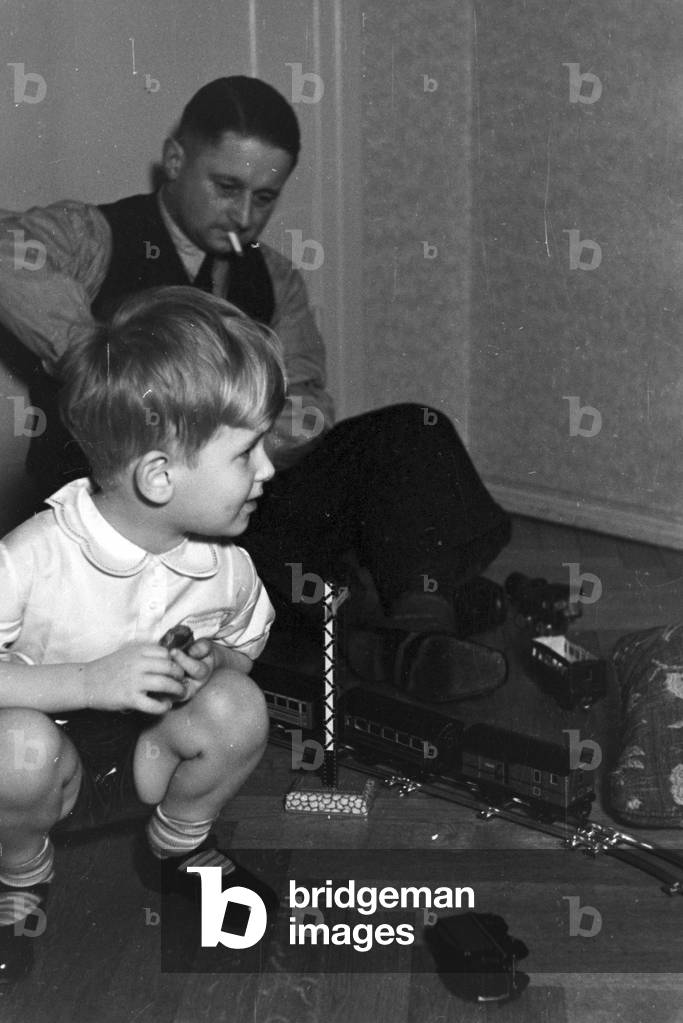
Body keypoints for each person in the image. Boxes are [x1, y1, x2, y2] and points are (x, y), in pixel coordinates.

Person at [0, 76, 511, 694]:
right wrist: (91, 352)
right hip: (123, 518)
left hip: (237, 507)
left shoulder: (274, 277)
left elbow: (308, 400)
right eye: (227, 188)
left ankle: (417, 632)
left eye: (265, 198)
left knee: (412, 429)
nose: (244, 216)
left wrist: (238, 464)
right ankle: (359, 614)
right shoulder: (95, 235)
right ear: (175, 160)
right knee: (273, 583)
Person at [0, 287, 284, 982]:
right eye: (247, 452)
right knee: (15, 746)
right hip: (42, 767)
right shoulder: (32, 557)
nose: (269, 469)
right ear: (159, 475)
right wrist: (88, 681)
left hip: (146, 756)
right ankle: (19, 872)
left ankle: (178, 843)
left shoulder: (227, 566)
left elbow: (244, 650)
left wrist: (215, 661)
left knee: (239, 709)